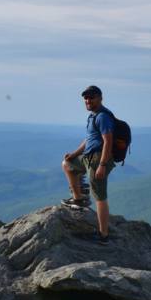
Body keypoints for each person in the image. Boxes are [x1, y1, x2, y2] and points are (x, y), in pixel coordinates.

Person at [61, 85, 116, 244]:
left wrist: (103, 164)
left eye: (92, 97)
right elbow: (89, 139)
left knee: (99, 196)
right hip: (89, 157)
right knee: (67, 164)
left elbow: (108, 141)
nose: (88, 100)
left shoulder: (102, 116)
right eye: (86, 97)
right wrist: (74, 154)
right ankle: (78, 200)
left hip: (98, 159)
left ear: (100, 98)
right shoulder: (93, 116)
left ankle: (103, 235)